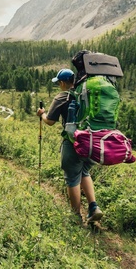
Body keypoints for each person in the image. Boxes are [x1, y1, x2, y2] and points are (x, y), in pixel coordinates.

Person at [36, 68, 103, 225]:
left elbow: (50, 121)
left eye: (58, 82)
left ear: (62, 82)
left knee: (72, 178)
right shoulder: (85, 93)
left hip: (73, 143)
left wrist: (42, 114)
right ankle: (93, 207)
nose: (59, 85)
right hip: (92, 142)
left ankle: (76, 216)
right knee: (84, 171)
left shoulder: (62, 96)